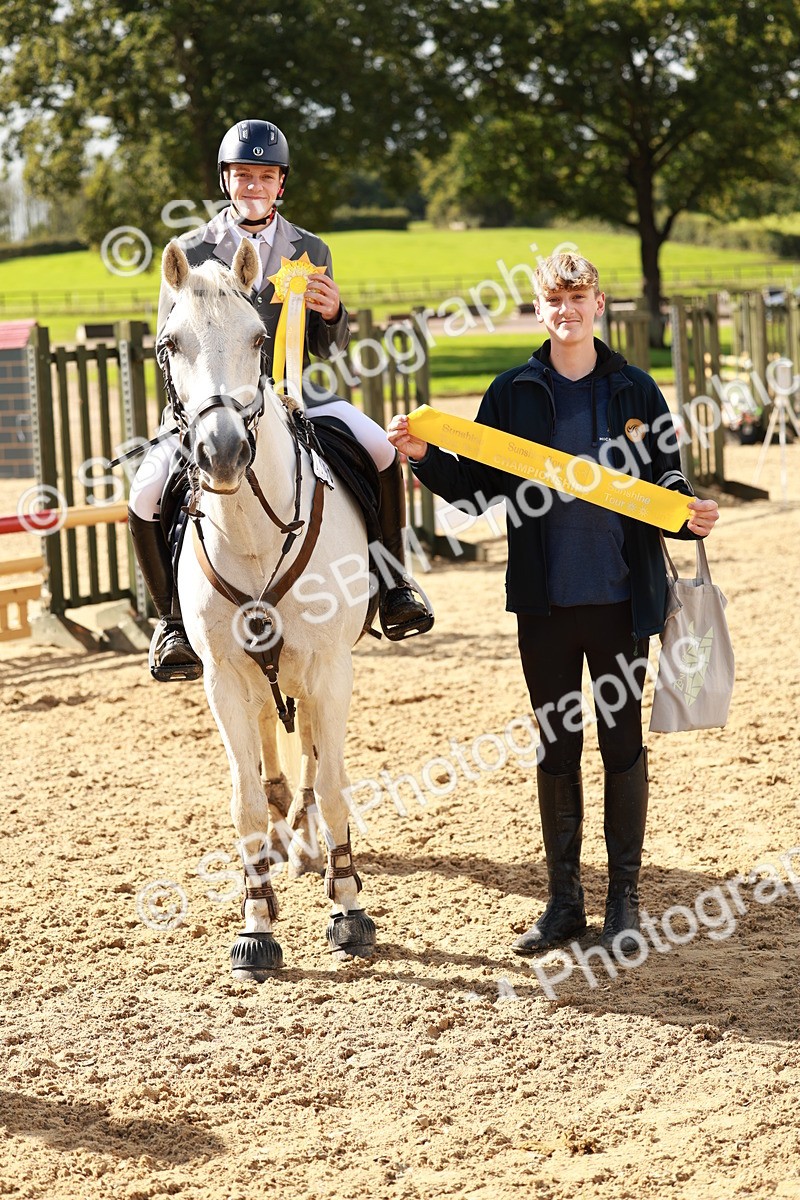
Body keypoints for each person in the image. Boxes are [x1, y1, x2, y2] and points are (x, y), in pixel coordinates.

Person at [388, 252, 719, 955]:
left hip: (622, 598)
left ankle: (622, 901)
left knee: (620, 744)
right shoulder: (513, 392)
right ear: (539, 309)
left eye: (578, 298)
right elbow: (477, 490)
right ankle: (564, 902)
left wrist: (686, 510)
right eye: (553, 300)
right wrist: (421, 456)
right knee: (555, 746)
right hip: (543, 604)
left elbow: (665, 477)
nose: (566, 310)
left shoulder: (634, 388)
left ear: (599, 304)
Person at [129, 118, 432, 680]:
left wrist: (334, 313)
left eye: (264, 177)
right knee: (145, 491)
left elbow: (328, 345)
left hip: (294, 393)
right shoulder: (190, 250)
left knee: (381, 449)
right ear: (227, 180)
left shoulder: (310, 248)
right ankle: (171, 622)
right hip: (213, 405)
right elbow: (167, 342)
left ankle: (393, 585)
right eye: (243, 176)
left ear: (280, 185)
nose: (254, 187)